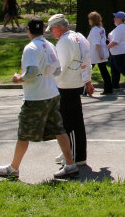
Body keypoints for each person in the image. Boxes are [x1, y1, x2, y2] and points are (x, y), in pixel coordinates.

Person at [0, 17, 78, 180]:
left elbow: (31, 72)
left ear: (28, 30)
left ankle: (13, 169)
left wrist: (19, 78)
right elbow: (57, 70)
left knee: (24, 133)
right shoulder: (50, 45)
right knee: (59, 129)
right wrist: (43, 74)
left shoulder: (31, 48)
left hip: (35, 97)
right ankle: (70, 164)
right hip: (52, 93)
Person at [47, 14, 92, 166]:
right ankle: (72, 151)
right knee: (74, 121)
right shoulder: (78, 36)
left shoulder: (64, 41)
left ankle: (75, 155)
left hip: (66, 85)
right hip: (75, 83)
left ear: (58, 27)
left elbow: (60, 67)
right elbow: (87, 61)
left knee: (70, 123)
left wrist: (47, 79)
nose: (51, 33)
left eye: (52, 29)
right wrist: (87, 81)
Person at [87, 12, 112, 95]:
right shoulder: (101, 28)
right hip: (101, 51)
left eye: (90, 19)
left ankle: (85, 89)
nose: (89, 21)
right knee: (103, 70)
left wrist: (100, 54)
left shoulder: (94, 30)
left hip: (95, 53)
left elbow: (96, 43)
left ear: (93, 20)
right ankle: (108, 88)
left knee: (88, 70)